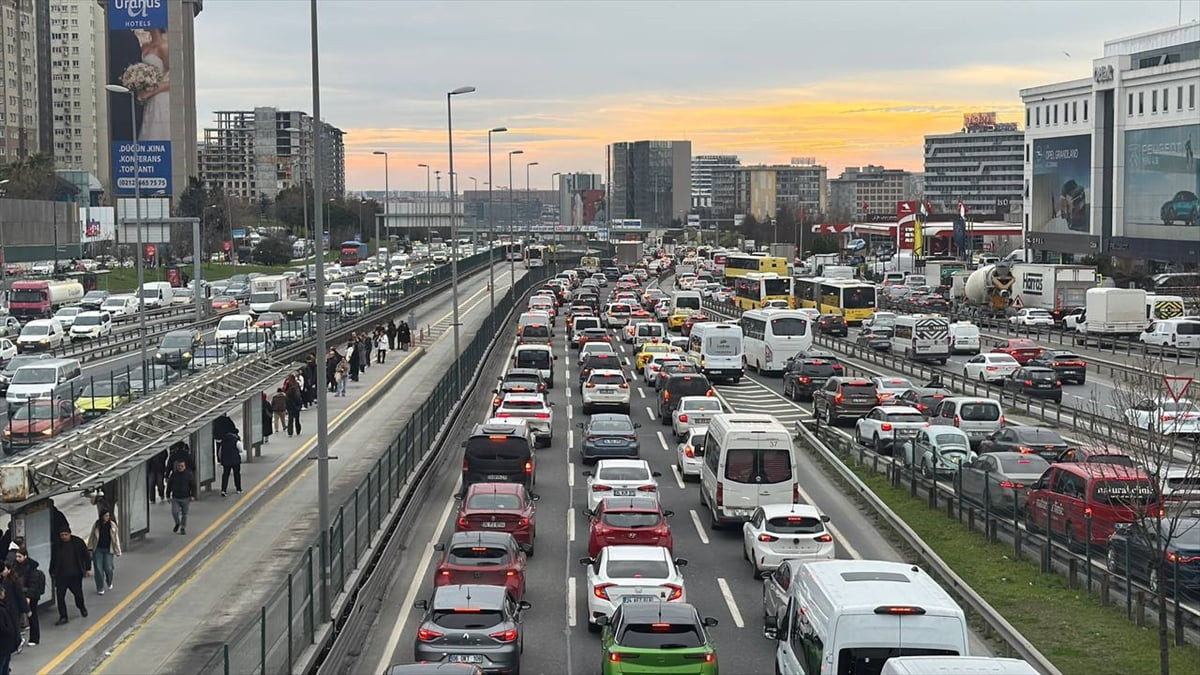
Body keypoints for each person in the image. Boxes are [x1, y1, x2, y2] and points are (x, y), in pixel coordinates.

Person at [49, 528, 89, 625]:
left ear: (70, 534)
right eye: (62, 535)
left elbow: (86, 555)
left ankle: (81, 606)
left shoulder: (78, 542)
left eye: (65, 535)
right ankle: (63, 616)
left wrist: (87, 568)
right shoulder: (57, 545)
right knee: (60, 596)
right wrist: (52, 572)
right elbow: (53, 559)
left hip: (75, 575)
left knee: (78, 594)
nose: (64, 537)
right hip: (61, 576)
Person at [137, 28, 170, 141]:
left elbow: (177, 79)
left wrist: (152, 91)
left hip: (160, 96)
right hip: (148, 97)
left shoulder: (164, 47)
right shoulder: (145, 46)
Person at [12, 548, 43, 647]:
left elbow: (33, 584)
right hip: (19, 594)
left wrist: (29, 596)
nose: (17, 559)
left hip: (30, 595)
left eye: (19, 556)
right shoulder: (15, 566)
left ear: (25, 556)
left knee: (32, 616)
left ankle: (34, 638)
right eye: (16, 556)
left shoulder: (31, 568)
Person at [86, 511, 120, 595]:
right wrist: (89, 548)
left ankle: (109, 581)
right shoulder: (97, 525)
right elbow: (92, 536)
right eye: (105, 516)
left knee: (108, 568)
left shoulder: (112, 525)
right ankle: (100, 587)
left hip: (108, 550)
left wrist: (117, 550)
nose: (107, 517)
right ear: (101, 516)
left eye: (108, 516)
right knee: (98, 569)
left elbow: (116, 538)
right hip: (98, 550)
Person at [166, 460, 196, 535]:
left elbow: (193, 485)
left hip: (186, 497)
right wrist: (168, 495)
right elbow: (169, 485)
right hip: (175, 497)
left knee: (184, 514)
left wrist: (193, 495)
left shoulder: (189, 475)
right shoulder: (174, 474)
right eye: (179, 466)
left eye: (182, 466)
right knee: (175, 512)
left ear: (185, 466)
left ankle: (183, 527)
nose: (180, 467)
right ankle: (177, 523)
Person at [218, 429, 243, 497]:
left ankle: (223, 490)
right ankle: (238, 489)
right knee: (236, 474)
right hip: (235, 460)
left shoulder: (223, 441)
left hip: (226, 460)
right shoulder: (236, 440)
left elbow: (220, 452)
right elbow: (241, 450)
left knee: (225, 475)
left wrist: (221, 459)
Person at [0, 585, 16, 675]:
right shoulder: (2, 609)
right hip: (4, 645)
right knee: (3, 667)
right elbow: (3, 627)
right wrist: (11, 632)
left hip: (5, 645)